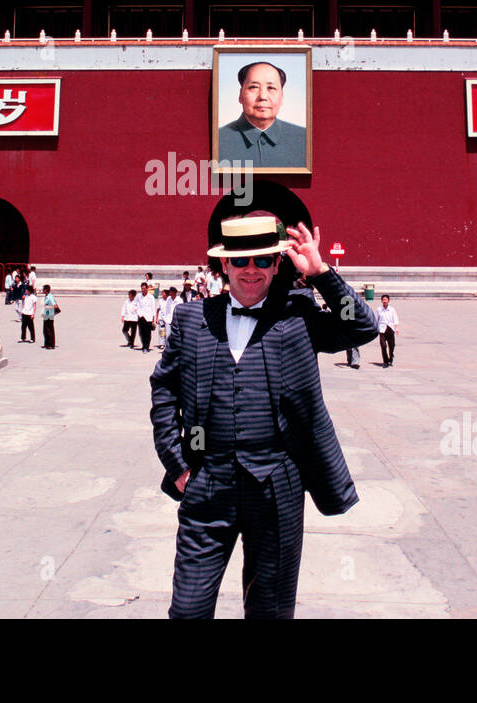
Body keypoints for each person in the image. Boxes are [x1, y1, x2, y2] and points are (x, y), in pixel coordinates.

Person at [150, 214, 378, 619]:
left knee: (270, 610)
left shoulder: (299, 316)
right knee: (187, 610)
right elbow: (164, 391)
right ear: (224, 265)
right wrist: (177, 462)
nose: (250, 270)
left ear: (277, 264)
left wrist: (322, 272)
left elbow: (363, 328)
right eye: (240, 261)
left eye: (261, 260)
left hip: (278, 485)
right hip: (206, 484)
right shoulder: (191, 319)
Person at [216, 62, 308, 168]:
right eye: (254, 87)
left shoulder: (304, 139)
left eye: (271, 88)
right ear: (240, 95)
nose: (263, 96)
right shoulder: (218, 140)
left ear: (282, 97)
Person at [376, 294, 398, 367]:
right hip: (382, 329)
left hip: (390, 328)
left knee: (392, 346)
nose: (384, 301)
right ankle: (385, 361)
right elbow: (377, 319)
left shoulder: (392, 309)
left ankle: (391, 357)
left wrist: (396, 328)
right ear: (381, 301)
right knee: (383, 346)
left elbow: (395, 318)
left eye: (386, 300)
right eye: (383, 300)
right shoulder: (379, 309)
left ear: (388, 301)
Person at [136, 282, 158, 353]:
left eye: (144, 288)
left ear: (147, 288)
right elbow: (135, 305)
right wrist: (138, 313)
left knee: (147, 333)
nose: (143, 290)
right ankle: (143, 345)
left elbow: (153, 308)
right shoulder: (138, 296)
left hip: (148, 317)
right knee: (141, 332)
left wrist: (153, 319)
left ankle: (146, 346)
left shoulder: (151, 297)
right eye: (142, 288)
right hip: (141, 316)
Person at [41, 284, 59, 349]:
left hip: (50, 315)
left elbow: (55, 306)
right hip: (46, 314)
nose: (42, 291)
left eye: (43, 289)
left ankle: (51, 344)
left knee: (49, 330)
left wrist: (47, 307)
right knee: (45, 330)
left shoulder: (50, 297)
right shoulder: (46, 296)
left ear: (46, 290)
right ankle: (46, 343)